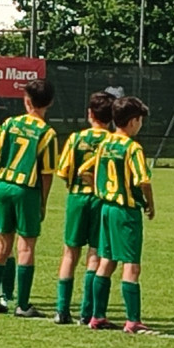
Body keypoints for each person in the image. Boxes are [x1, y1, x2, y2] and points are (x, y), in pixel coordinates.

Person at [0, 79, 58, 316]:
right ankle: (22, 304)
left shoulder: (10, 123)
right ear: (50, 102)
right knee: (26, 245)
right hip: (26, 189)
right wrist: (43, 202)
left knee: (2, 242)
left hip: (3, 186)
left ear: (26, 100)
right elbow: (46, 173)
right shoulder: (47, 133)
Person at [87, 96, 156, 333]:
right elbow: (143, 181)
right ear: (133, 121)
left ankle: (97, 316)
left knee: (106, 261)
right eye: (140, 121)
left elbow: (86, 170)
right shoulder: (132, 147)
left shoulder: (104, 143)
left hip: (106, 209)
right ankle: (133, 320)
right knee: (131, 264)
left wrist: (101, 189)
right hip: (126, 212)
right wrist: (150, 204)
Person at [53, 91, 115, 325]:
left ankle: (62, 310)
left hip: (77, 198)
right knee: (95, 253)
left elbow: (63, 171)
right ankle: (87, 312)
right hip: (101, 200)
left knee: (70, 252)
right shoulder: (112, 141)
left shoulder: (76, 138)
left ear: (90, 114)